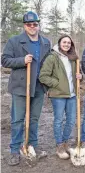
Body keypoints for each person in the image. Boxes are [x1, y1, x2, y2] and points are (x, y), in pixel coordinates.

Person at [1, 11, 51, 166]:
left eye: (35, 24)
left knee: (34, 119)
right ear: (24, 26)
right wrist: (22, 60)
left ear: (38, 25)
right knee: (18, 120)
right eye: (29, 24)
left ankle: (32, 146)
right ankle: (15, 150)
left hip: (38, 86)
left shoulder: (45, 42)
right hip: (21, 86)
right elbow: (4, 60)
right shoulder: (15, 41)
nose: (32, 27)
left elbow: (48, 64)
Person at [39, 35, 82, 159]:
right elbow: (43, 76)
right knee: (58, 120)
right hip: (58, 95)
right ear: (59, 43)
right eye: (64, 42)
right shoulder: (52, 57)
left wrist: (81, 77)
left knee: (71, 120)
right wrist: (57, 84)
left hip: (72, 95)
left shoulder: (73, 58)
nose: (67, 44)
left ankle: (65, 142)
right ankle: (59, 146)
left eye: (69, 42)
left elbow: (79, 74)